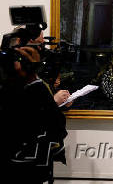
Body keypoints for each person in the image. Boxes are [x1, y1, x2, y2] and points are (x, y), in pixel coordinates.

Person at [1, 45, 68, 184]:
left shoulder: (35, 86)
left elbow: (57, 126)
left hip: (39, 169)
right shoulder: (15, 89)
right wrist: (52, 102)